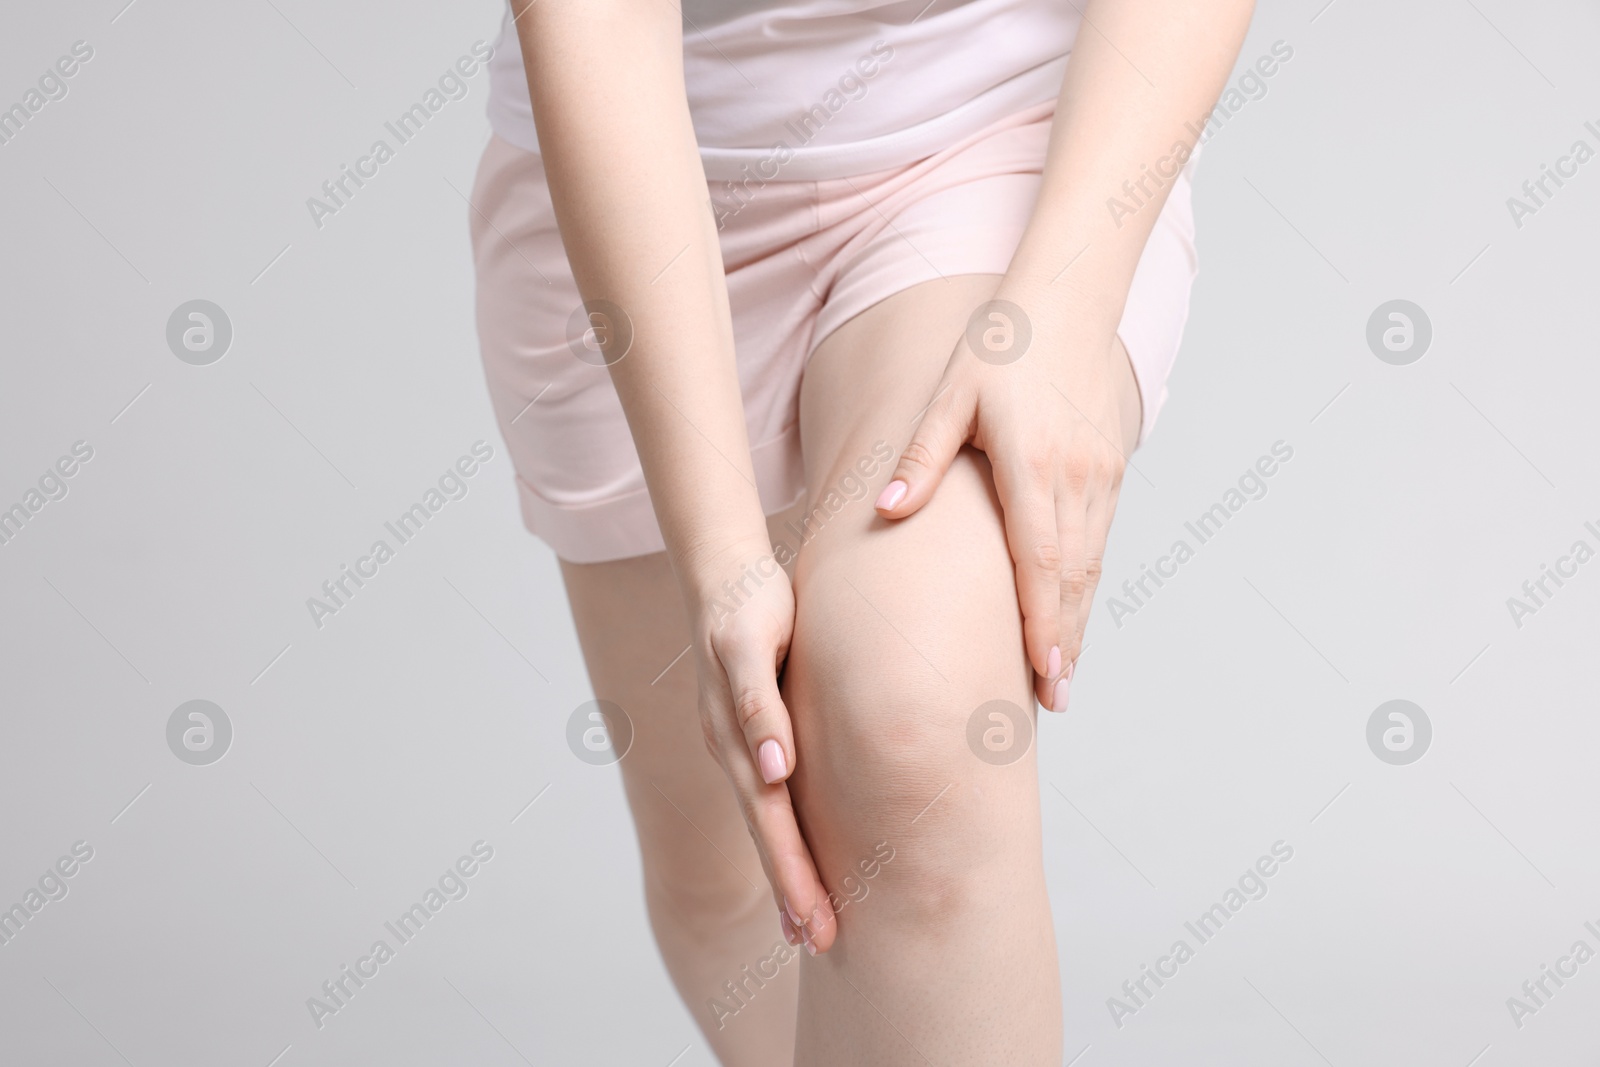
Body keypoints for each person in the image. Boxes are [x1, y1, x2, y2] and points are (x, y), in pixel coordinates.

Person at [469, 1, 1253, 1062]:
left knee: (907, 719)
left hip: (991, 131)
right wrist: (720, 560)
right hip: (634, 180)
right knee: (727, 880)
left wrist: (1060, 306)